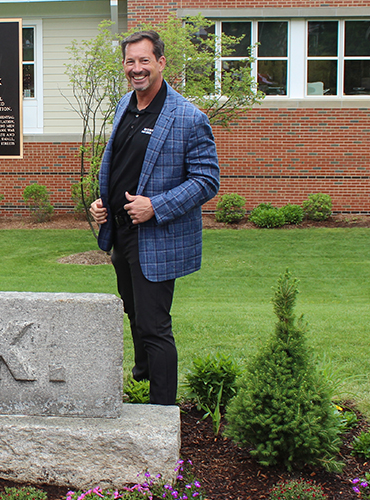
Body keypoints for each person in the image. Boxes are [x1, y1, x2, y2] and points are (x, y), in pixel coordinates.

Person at [89, 30, 220, 405]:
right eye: (130, 62)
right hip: (122, 235)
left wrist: (156, 206)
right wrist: (103, 204)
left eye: (144, 60)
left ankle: (162, 412)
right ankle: (143, 380)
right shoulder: (124, 106)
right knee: (134, 315)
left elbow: (207, 180)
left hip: (158, 239)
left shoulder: (188, 117)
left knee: (155, 327)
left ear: (161, 63)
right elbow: (120, 164)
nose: (137, 69)